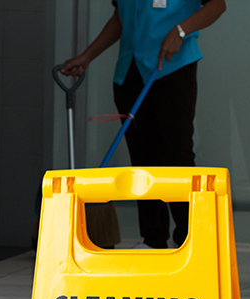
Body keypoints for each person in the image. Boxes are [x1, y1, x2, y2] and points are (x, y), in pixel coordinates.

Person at [61, 0, 226, 249]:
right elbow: (121, 18)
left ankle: (190, 238)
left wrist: (180, 30)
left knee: (176, 156)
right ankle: (153, 239)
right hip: (130, 74)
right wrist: (88, 55)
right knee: (143, 159)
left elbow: (217, 5)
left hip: (172, 69)